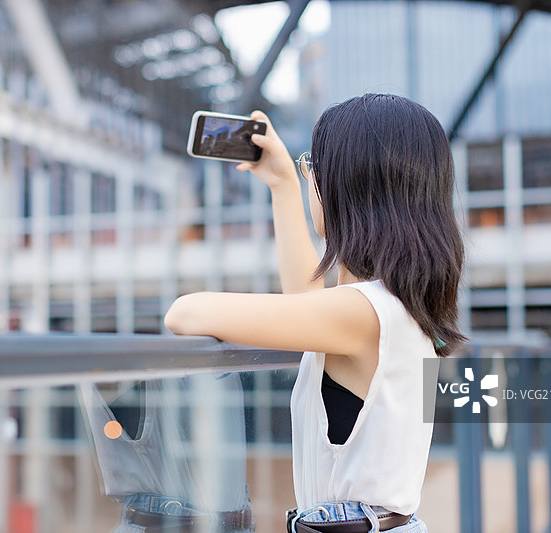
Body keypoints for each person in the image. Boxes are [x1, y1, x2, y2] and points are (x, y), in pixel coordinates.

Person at [164, 93, 466, 533]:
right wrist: (285, 183)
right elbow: (307, 308)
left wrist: (289, 183)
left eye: (313, 166)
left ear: (346, 188)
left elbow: (184, 313)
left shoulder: (363, 314)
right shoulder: (400, 309)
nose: (310, 178)